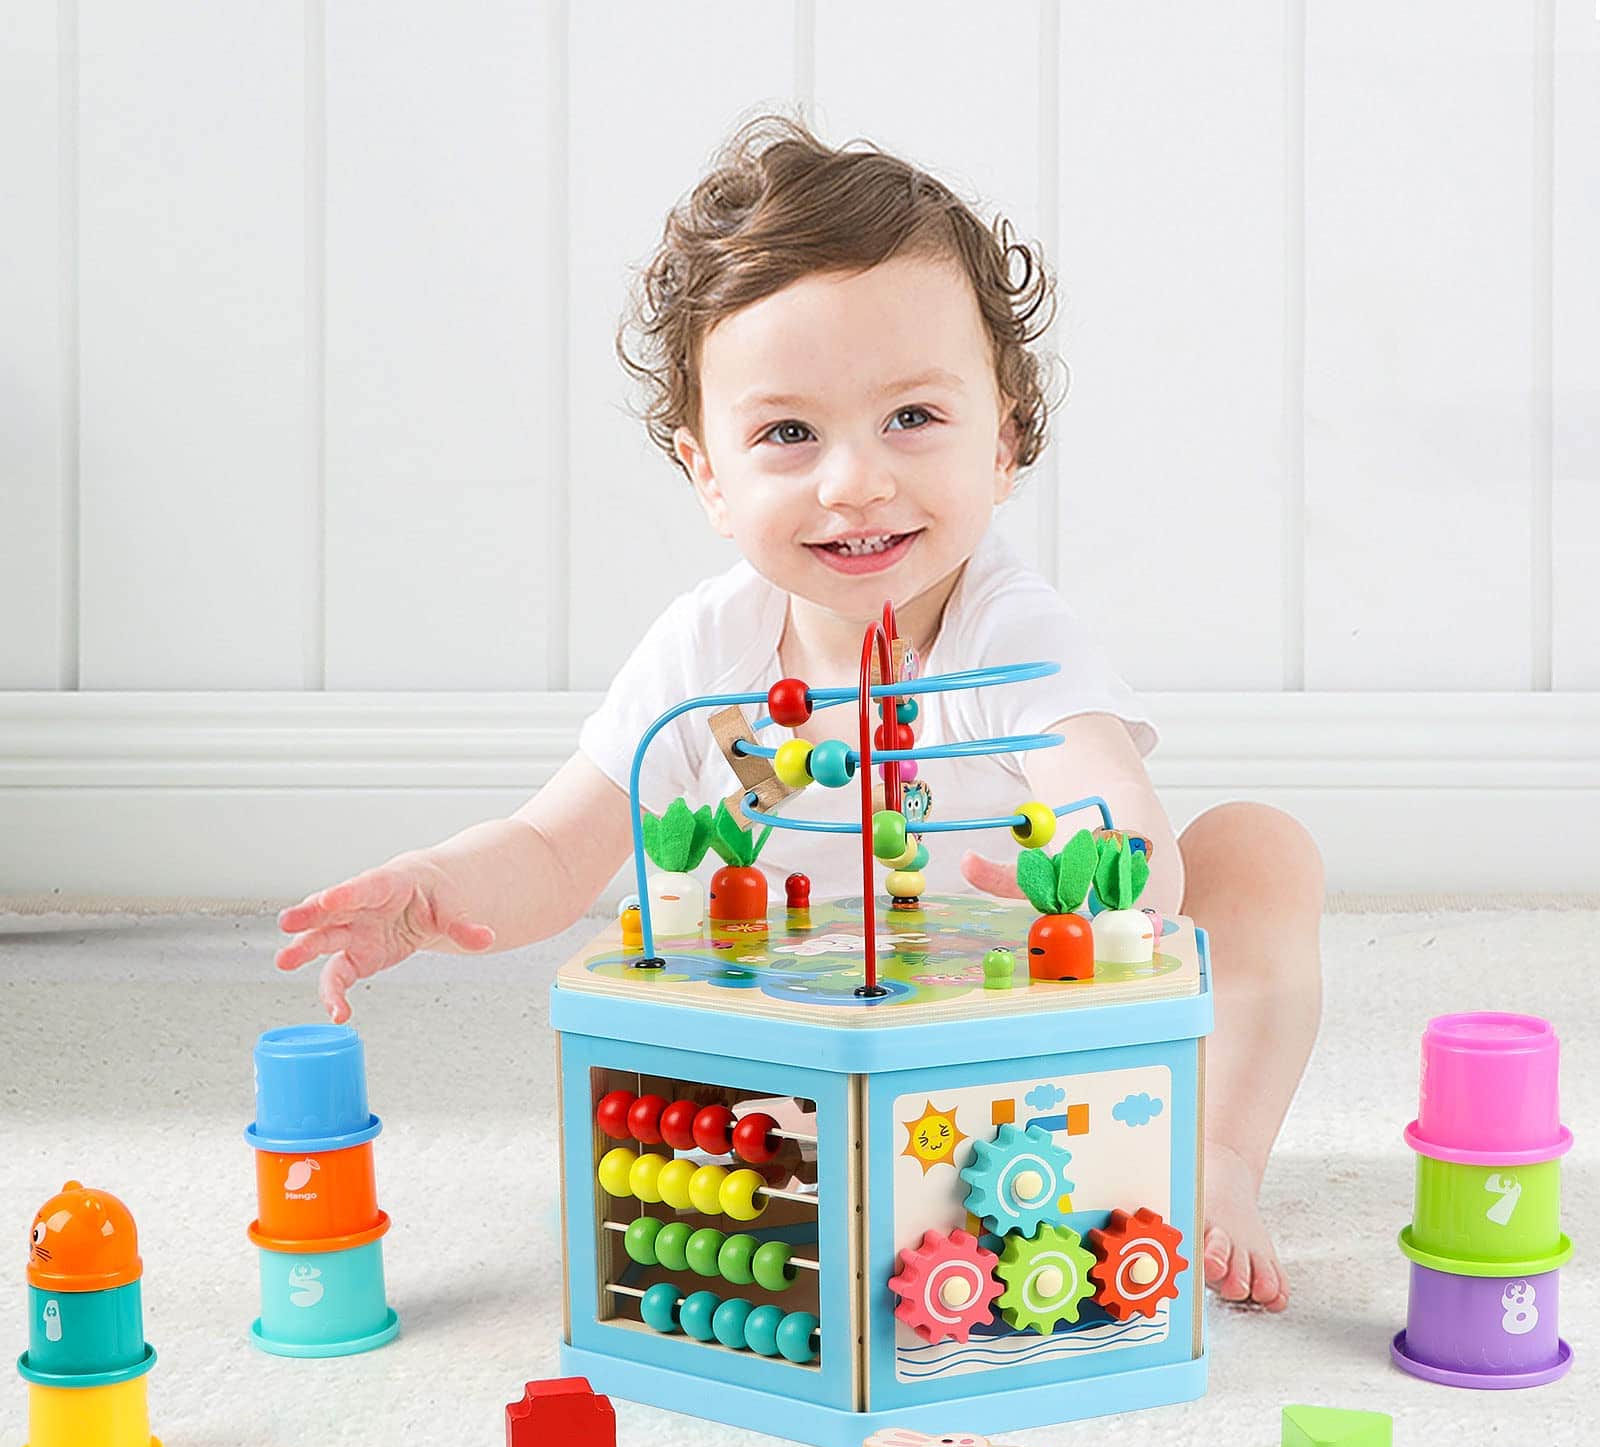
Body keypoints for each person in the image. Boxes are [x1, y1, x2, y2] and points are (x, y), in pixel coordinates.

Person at [277, 113, 1323, 1312]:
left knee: (1259, 852)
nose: (854, 479)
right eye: (787, 433)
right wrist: (432, 889)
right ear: (707, 475)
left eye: (912, 419)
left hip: (1019, 1041)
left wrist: (1104, 877)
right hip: (793, 1068)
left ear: (1007, 442)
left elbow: (1109, 800)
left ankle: (1218, 1160)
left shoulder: (1005, 635)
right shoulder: (708, 654)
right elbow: (557, 848)